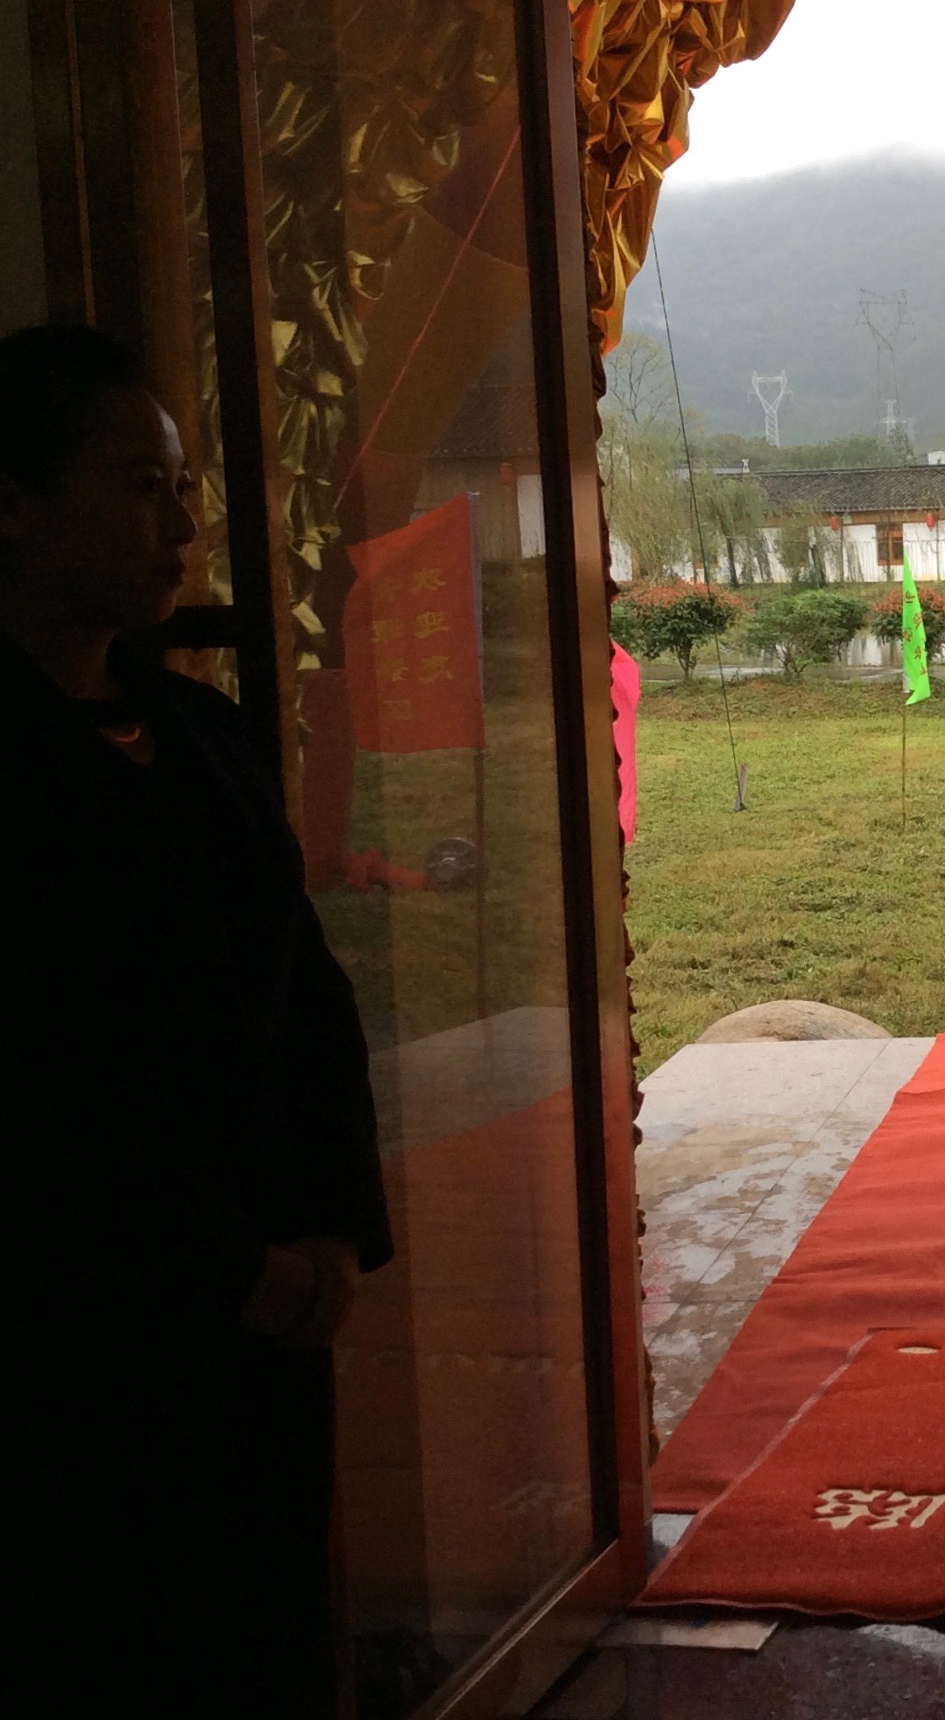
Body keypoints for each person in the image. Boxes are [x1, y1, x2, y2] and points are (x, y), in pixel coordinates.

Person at [0, 323, 393, 1717]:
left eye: (184, 483)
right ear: (18, 505)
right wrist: (228, 1268)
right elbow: (39, 1095)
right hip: (88, 1346)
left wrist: (334, 1229)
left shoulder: (202, 734)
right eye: (139, 482)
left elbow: (308, 993)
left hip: (269, 1320)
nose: (182, 518)